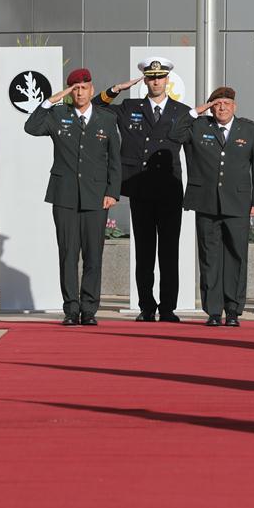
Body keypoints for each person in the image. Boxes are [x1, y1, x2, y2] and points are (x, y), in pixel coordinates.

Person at [93, 58, 190, 322]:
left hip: (169, 191)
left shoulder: (182, 112)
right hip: (140, 189)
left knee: (169, 252)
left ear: (167, 80)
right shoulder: (129, 107)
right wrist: (116, 89)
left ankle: (168, 307)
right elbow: (94, 108)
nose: (156, 81)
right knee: (144, 252)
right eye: (151, 77)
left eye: (160, 77)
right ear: (144, 80)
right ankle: (146, 305)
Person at [24, 68, 121, 326]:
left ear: (92, 88)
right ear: (70, 91)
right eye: (74, 88)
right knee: (67, 254)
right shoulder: (58, 115)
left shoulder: (107, 119)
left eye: (84, 87)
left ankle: (89, 309)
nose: (80, 92)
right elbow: (31, 127)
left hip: (97, 197)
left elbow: (115, 159)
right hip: (64, 196)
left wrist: (113, 192)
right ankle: (71, 308)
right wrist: (50, 101)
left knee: (93, 255)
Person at [168, 86, 254, 326]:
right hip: (206, 202)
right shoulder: (199, 126)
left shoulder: (249, 129)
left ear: (235, 106)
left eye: (226, 103)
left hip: (238, 203)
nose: (221, 108)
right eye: (217, 104)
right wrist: (196, 111)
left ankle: (232, 310)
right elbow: (174, 134)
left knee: (236, 256)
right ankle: (213, 311)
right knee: (210, 257)